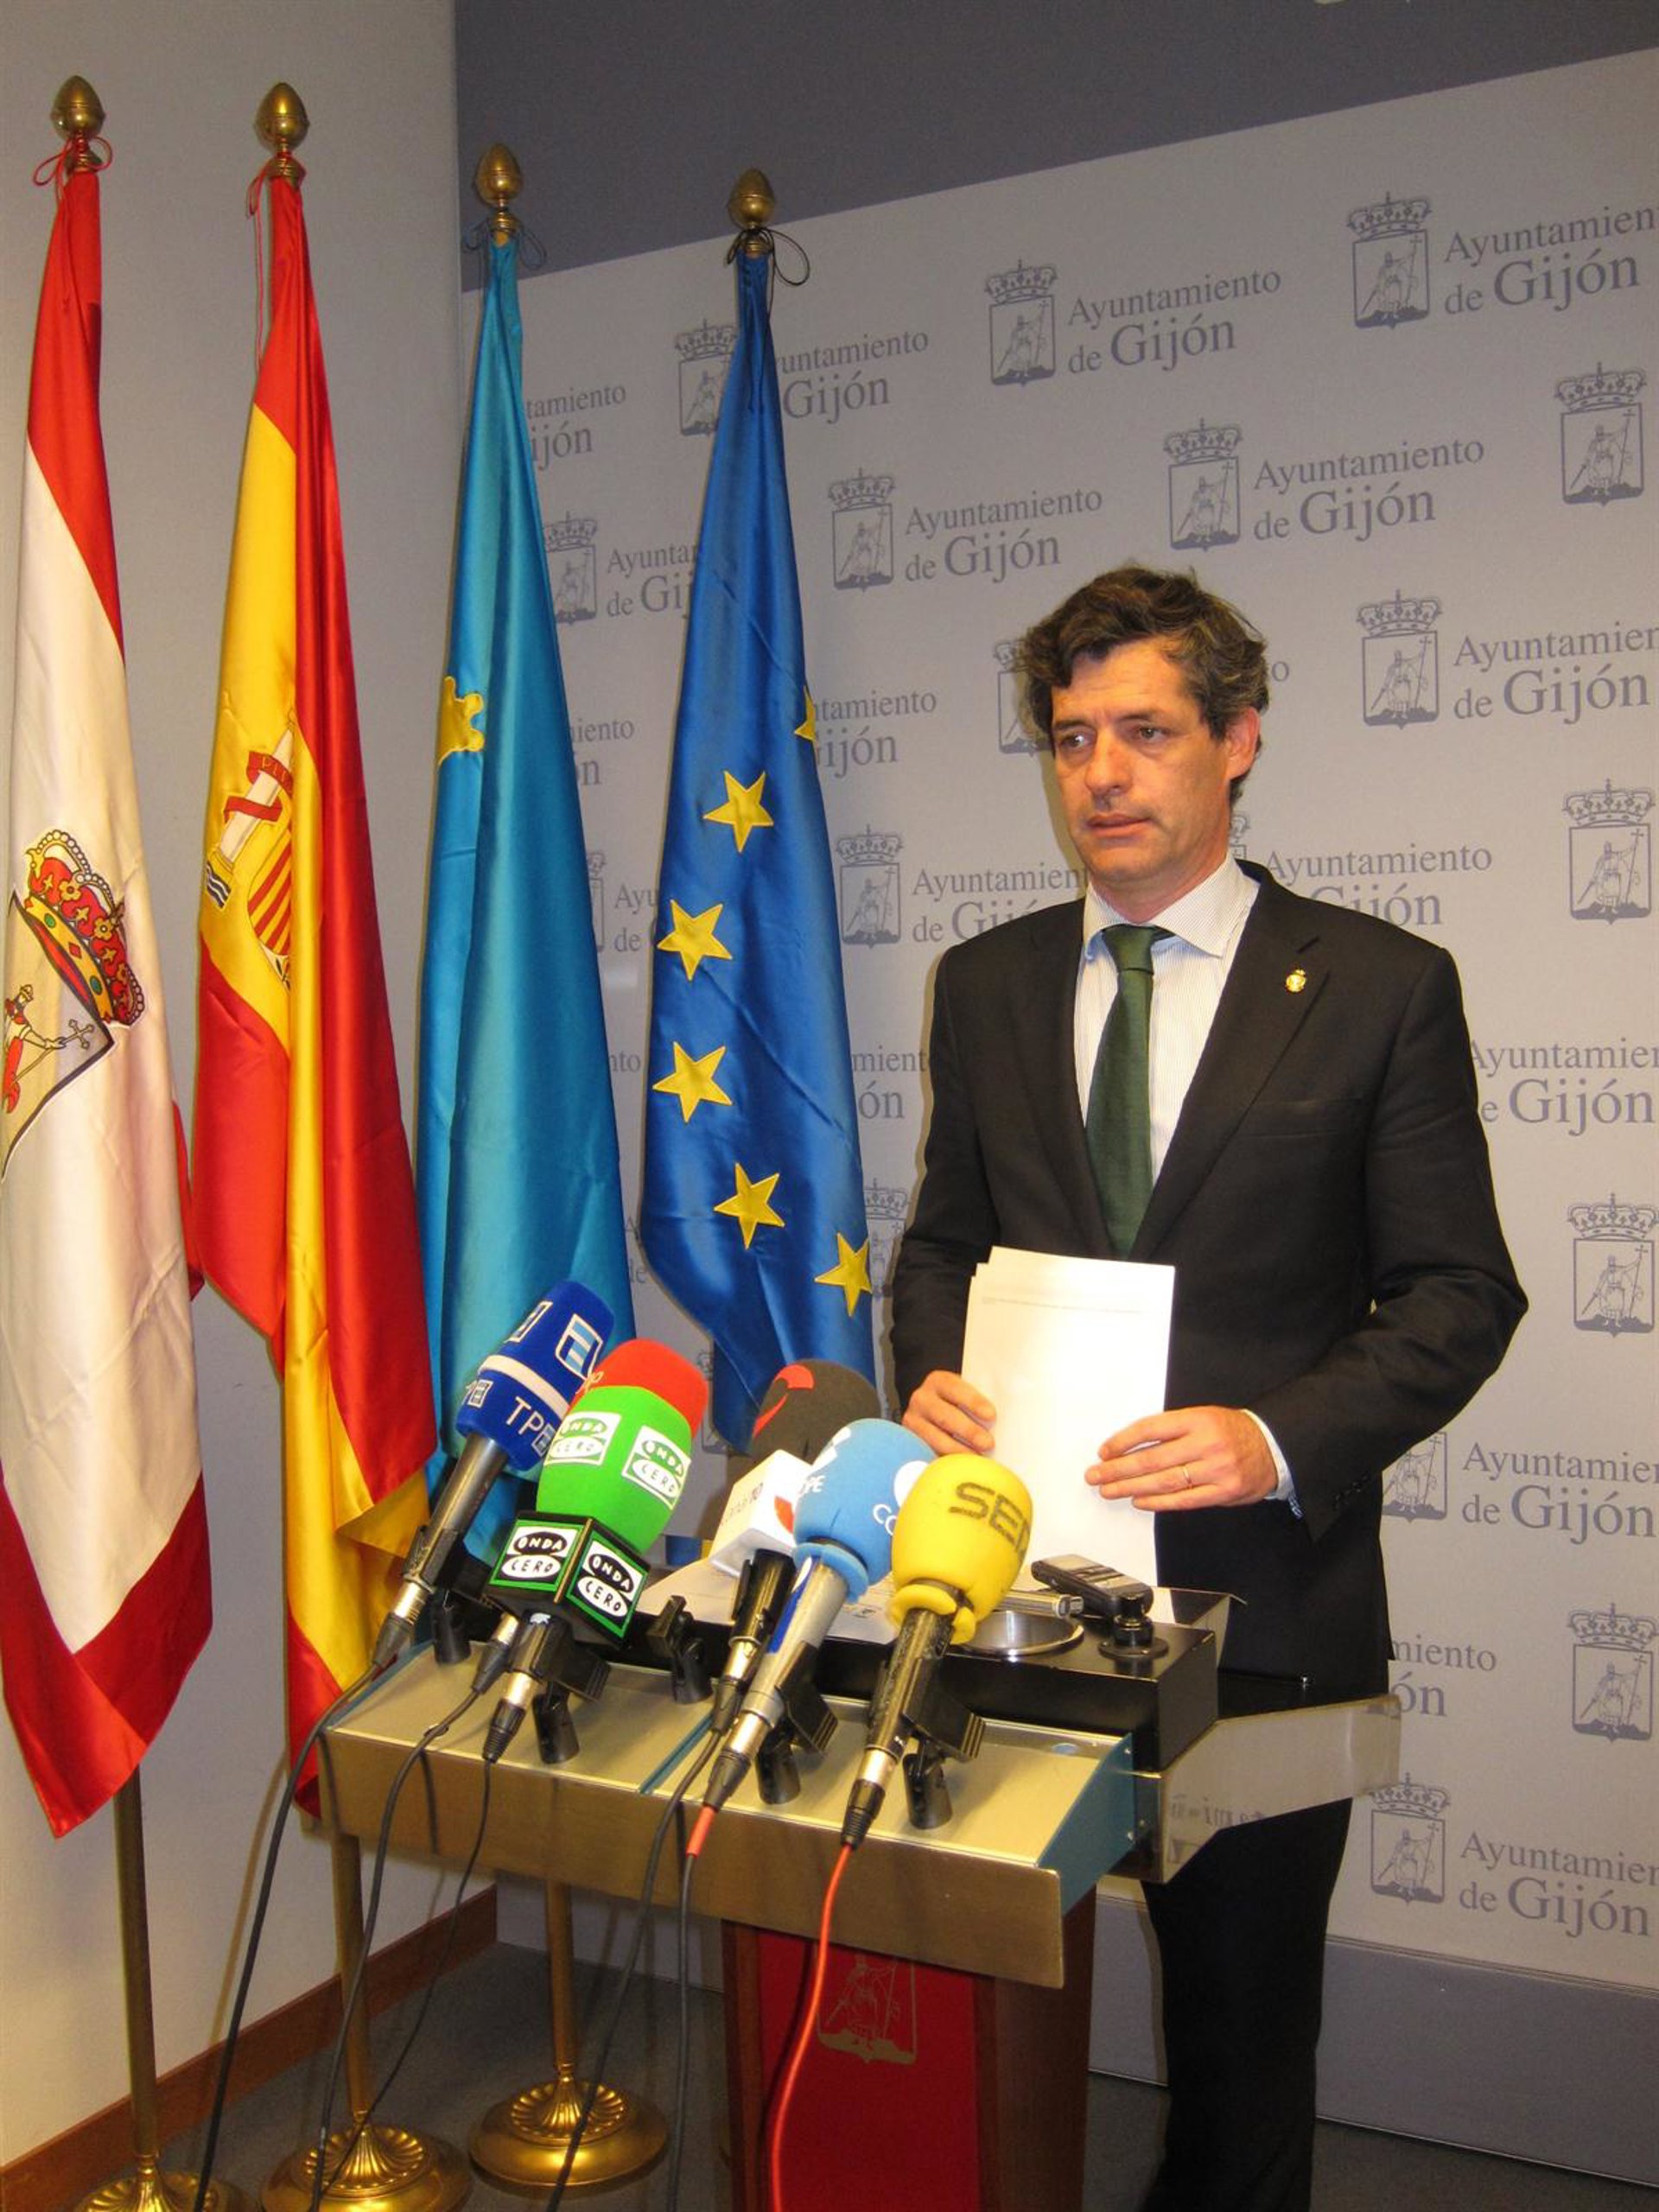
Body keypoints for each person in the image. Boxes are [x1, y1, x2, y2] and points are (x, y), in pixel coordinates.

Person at [891, 564, 1525, 2212]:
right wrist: (935, 1371)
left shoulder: (1379, 986)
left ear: (1237, 741)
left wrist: (1271, 1438)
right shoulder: (986, 984)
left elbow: (1461, 1294)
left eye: (1146, 731)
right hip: (1015, 1600)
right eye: (1071, 737)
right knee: (977, 2013)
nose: (1101, 774)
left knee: (1242, 2060)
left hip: (1260, 1614)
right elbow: (940, 1248)